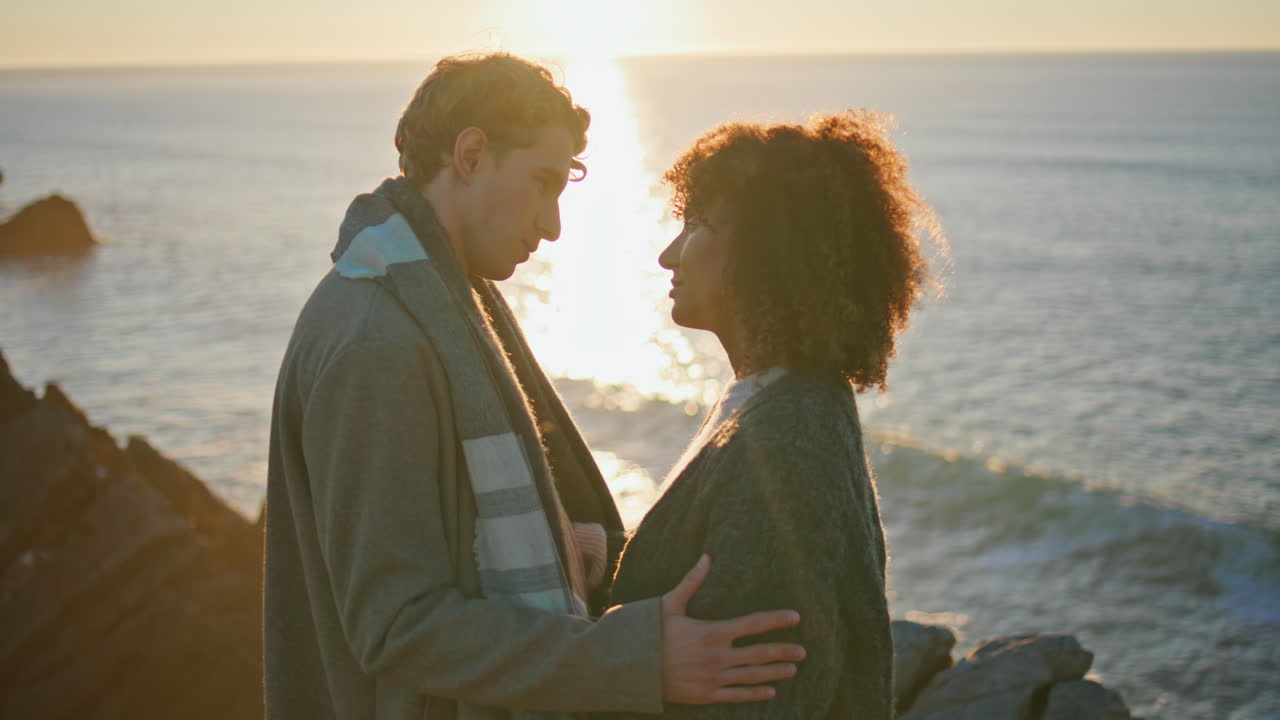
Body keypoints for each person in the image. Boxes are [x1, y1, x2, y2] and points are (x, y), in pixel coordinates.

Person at [263, 52, 806, 720]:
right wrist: (639, 659)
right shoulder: (377, 342)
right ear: (469, 154)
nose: (552, 226)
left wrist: (571, 548)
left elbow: (441, 533)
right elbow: (397, 624)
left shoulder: (439, 297)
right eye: (543, 182)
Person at [600, 110, 946, 718]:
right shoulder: (775, 399)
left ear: (771, 255)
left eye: (699, 225)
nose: (668, 254)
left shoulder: (787, 437)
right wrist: (606, 551)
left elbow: (765, 692)